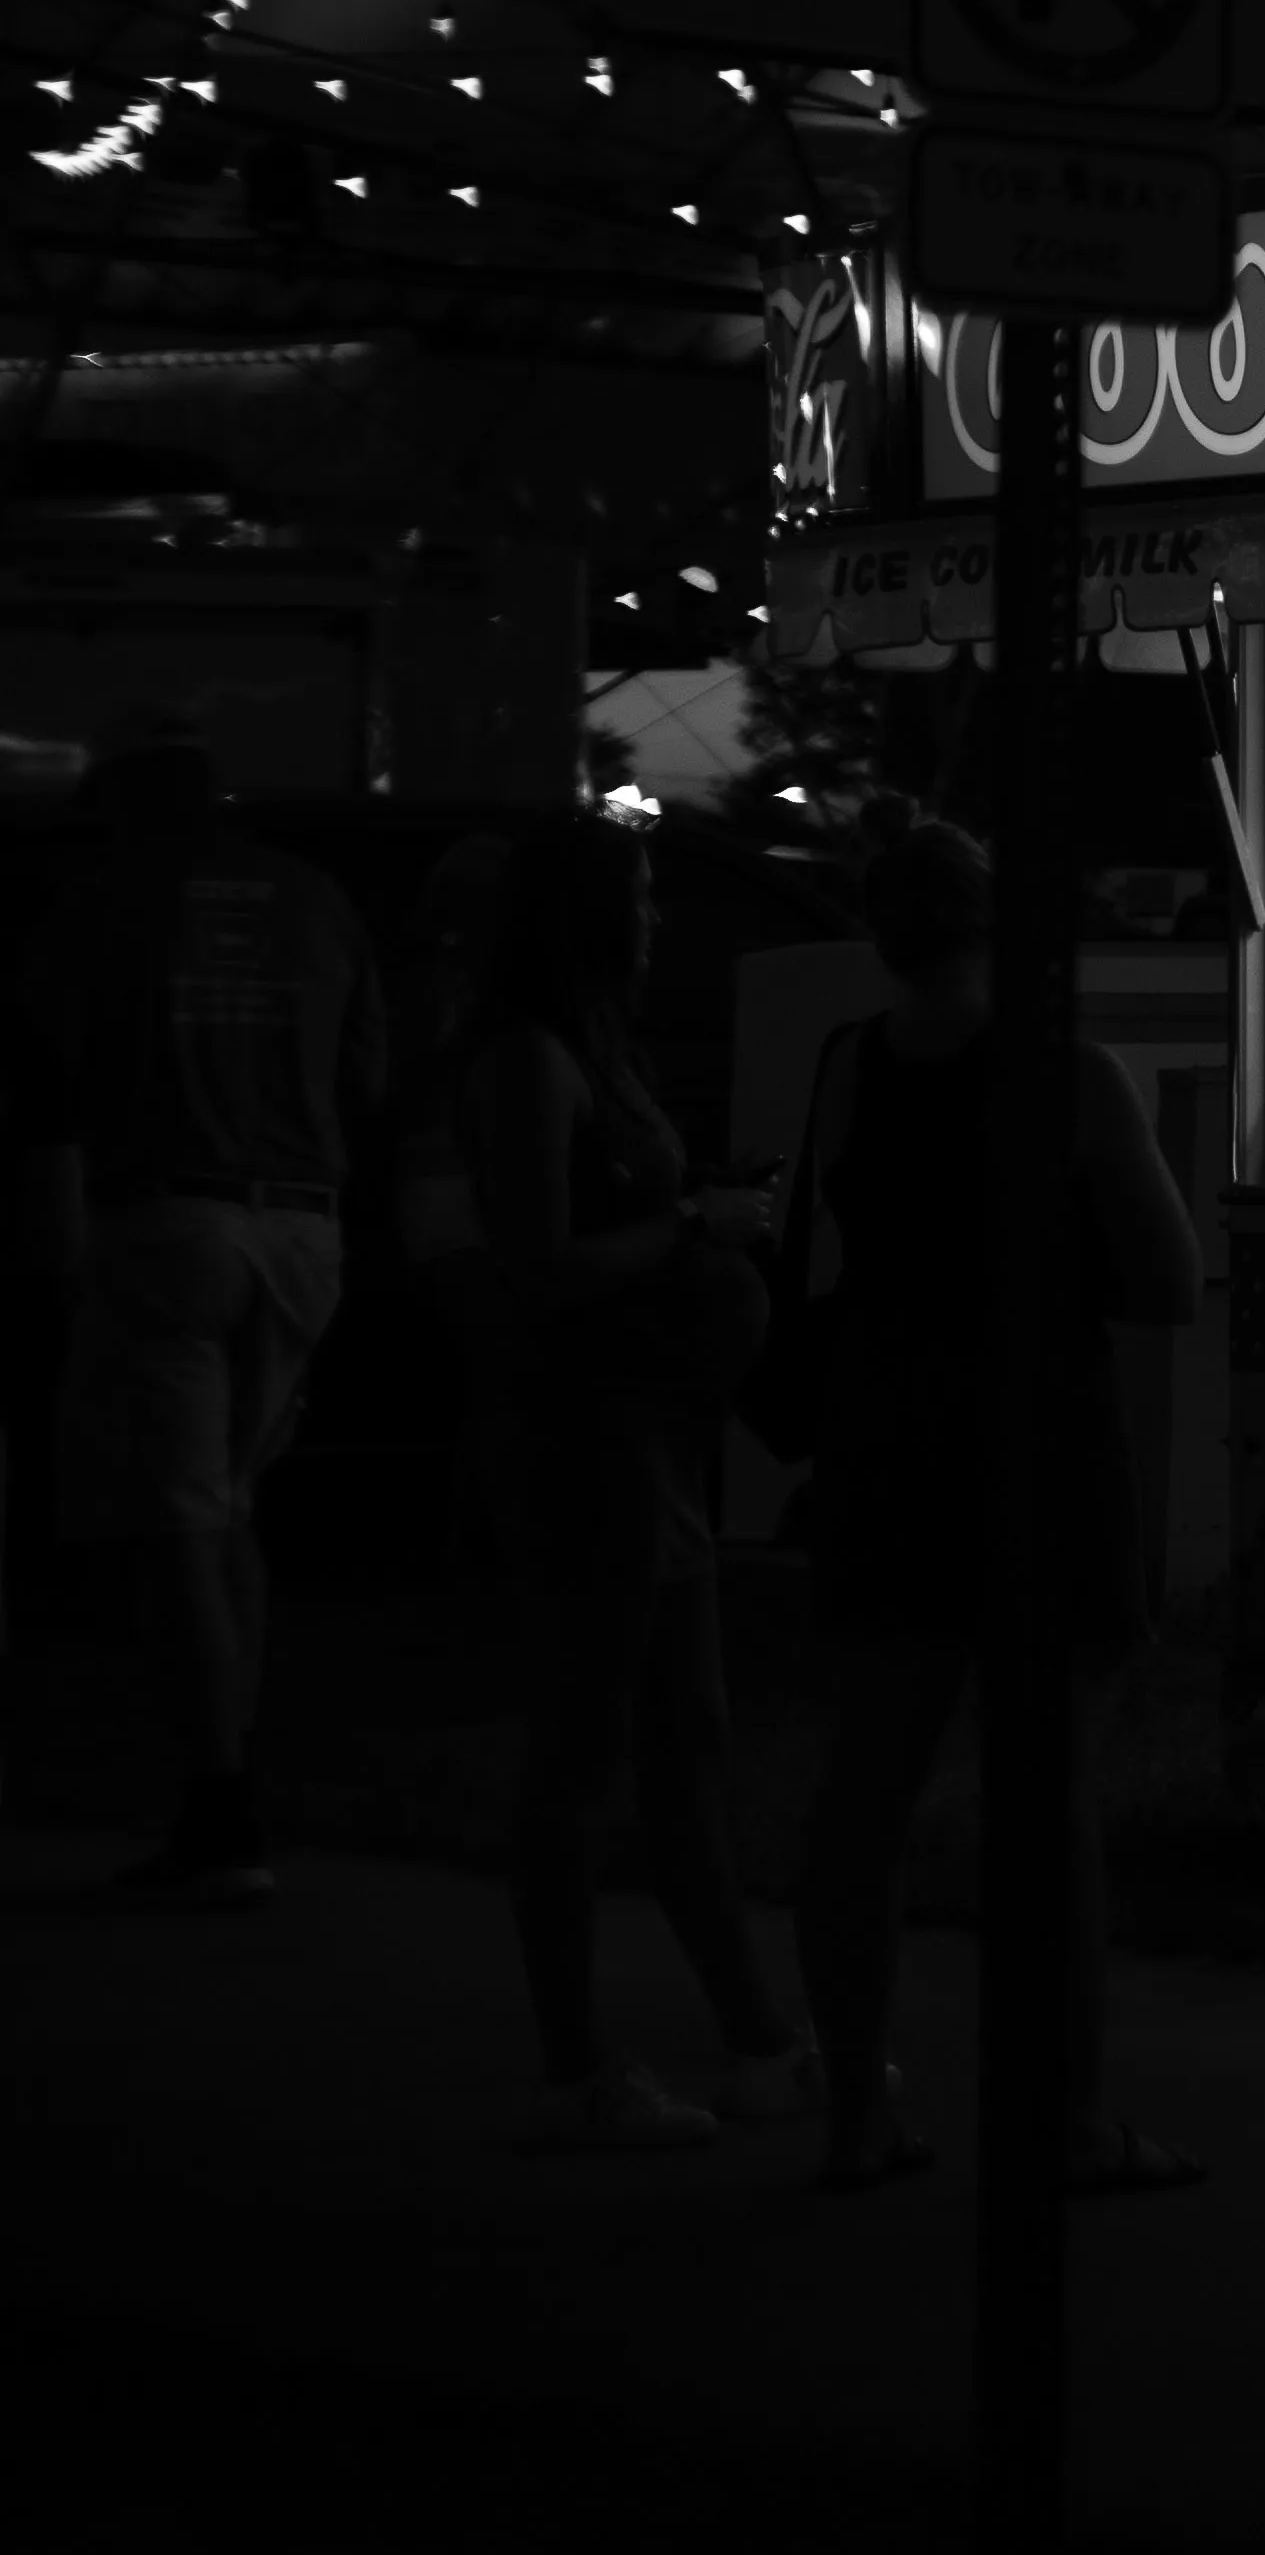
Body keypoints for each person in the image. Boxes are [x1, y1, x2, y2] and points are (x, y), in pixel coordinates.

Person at [783, 822, 1209, 2201]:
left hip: (883, 1435)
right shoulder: (1070, 1072)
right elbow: (1166, 1283)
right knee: (1049, 1810)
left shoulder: (851, 1062)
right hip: (1037, 1440)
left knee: (866, 1789)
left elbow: (828, 1247)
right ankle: (1065, 2119)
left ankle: (856, 2106)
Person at [462, 804, 815, 2149]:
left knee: (689, 1742)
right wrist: (691, 1222)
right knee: (587, 1752)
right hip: (586, 1441)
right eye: (647, 898)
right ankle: (579, 2065)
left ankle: (757, 2040)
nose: (663, 921)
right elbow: (537, 1266)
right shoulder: (525, 1063)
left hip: (651, 1436)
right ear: (593, 919)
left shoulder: (594, 1054)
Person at [11, 724, 380, 1906]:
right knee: (229, 1508)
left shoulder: (102, 902)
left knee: (173, 1527)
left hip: (169, 1222)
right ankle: (228, 1779)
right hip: (303, 1226)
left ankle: (218, 1811)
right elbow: (368, 1080)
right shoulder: (318, 901)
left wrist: (60, 1242)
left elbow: (44, 1083)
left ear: (126, 813)